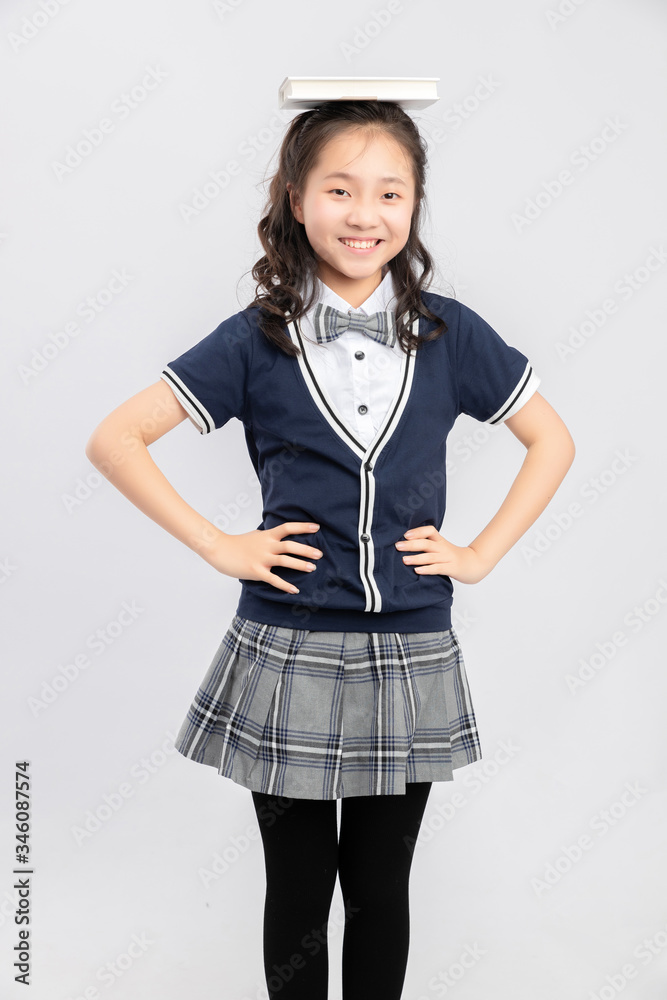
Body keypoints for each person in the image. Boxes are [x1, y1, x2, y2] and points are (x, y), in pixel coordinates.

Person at [85, 98, 575, 999]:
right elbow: (116, 438)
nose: (364, 213)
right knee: (299, 885)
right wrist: (219, 546)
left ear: (414, 204)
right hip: (288, 646)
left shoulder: (449, 331)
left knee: (381, 885)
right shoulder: (251, 338)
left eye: (390, 192)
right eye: (340, 189)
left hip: (408, 644)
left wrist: (479, 555)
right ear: (295, 199)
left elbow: (553, 440)